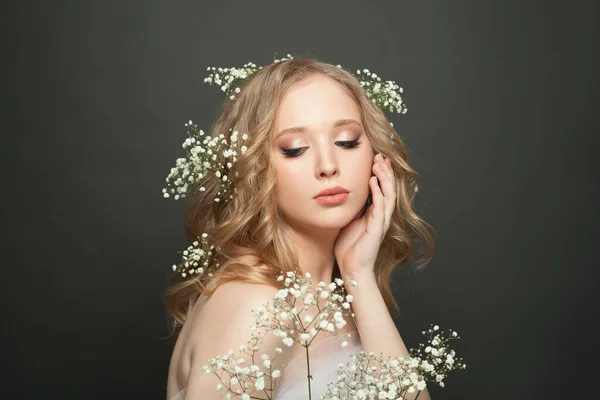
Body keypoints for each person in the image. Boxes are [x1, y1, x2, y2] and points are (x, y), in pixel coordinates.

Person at [163, 56, 435, 399]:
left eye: (347, 141)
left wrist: (359, 277)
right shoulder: (258, 305)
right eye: (295, 149)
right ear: (254, 166)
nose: (328, 166)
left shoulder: (334, 293)